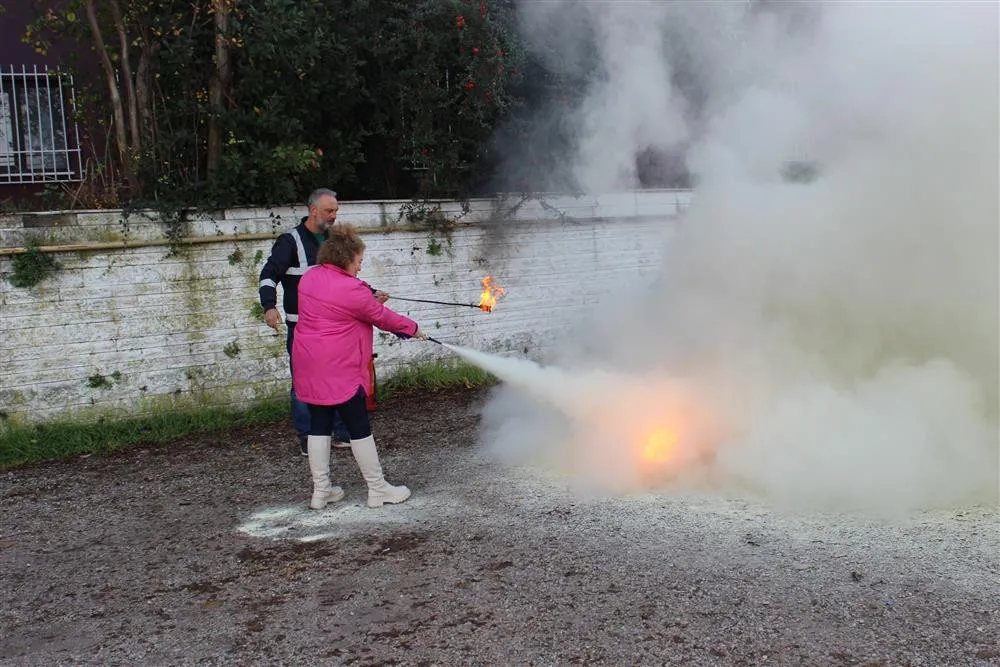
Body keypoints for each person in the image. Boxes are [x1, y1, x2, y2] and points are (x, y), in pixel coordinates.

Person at [292, 224, 426, 509]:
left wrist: (368, 296)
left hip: (309, 363)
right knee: (359, 427)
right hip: (339, 369)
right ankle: (378, 490)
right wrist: (413, 329)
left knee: (319, 426)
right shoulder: (352, 290)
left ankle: (321, 492)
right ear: (346, 259)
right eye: (359, 261)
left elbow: (342, 302)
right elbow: (381, 317)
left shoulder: (310, 277)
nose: (361, 267)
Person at [258, 188, 389, 455]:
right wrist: (269, 306)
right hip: (301, 327)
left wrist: (370, 292)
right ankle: (308, 438)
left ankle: (340, 434)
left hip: (338, 326)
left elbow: (346, 279)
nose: (334, 216)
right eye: (329, 211)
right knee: (304, 382)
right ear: (313, 209)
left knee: (340, 379)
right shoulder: (290, 242)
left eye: (336, 211)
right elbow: (269, 274)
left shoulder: (334, 242)